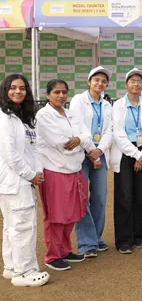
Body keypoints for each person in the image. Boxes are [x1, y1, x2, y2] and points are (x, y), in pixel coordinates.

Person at [36, 79, 92, 271]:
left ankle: (65, 250)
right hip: (54, 171)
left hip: (74, 171)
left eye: (64, 92)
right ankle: (52, 256)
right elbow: (59, 143)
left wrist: (79, 140)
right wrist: (79, 144)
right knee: (55, 216)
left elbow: (86, 135)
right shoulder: (43, 115)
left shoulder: (71, 114)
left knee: (71, 214)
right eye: (56, 92)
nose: (61, 96)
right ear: (48, 95)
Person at [0, 74, 50, 287]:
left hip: (24, 179)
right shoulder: (3, 117)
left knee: (13, 226)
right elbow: (10, 153)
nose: (18, 91)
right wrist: (30, 174)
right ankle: (25, 271)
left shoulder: (24, 117)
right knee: (23, 227)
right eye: (13, 87)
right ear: (5, 90)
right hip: (14, 181)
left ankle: (11, 267)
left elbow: (34, 148)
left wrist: (37, 170)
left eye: (22, 88)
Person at [111, 68, 142, 254]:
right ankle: (123, 239)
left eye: (139, 81)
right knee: (124, 197)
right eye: (132, 81)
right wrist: (136, 154)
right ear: (126, 84)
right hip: (126, 153)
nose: (136, 84)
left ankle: (137, 235)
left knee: (140, 197)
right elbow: (118, 133)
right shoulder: (118, 105)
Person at [69, 66, 113, 258]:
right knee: (82, 199)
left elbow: (109, 131)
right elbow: (77, 126)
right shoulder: (79, 100)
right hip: (81, 154)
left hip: (99, 154)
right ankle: (86, 243)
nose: (100, 83)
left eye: (104, 81)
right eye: (96, 80)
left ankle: (96, 237)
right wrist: (90, 151)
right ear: (89, 82)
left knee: (101, 198)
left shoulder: (107, 105)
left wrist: (99, 151)